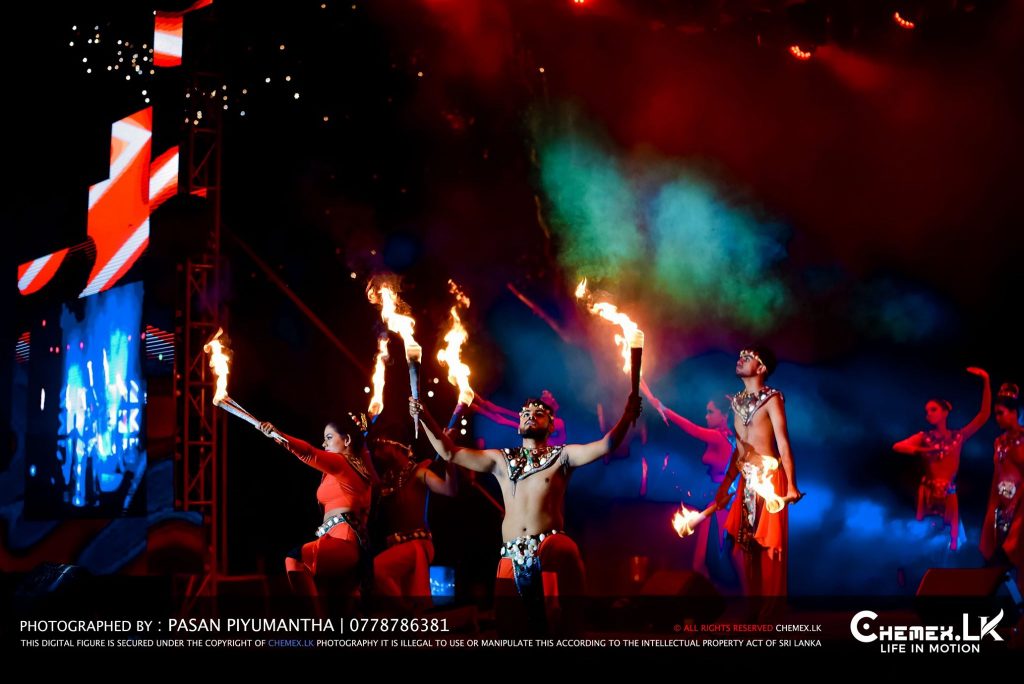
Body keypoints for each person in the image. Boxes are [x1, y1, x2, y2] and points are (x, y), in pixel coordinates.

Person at [410, 392, 641, 632]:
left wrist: (627, 415)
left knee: (554, 621)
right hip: (511, 556)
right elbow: (449, 453)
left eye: (539, 414)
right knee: (510, 630)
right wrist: (424, 416)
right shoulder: (500, 460)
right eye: (526, 414)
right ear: (519, 423)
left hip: (549, 552)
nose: (531, 416)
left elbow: (606, 445)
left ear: (551, 425)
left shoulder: (562, 456)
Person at [715, 347, 802, 609]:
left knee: (767, 548)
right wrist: (725, 485)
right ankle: (753, 606)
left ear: (761, 368)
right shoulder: (736, 402)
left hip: (769, 479)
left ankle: (768, 611)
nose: (740, 360)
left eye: (748, 358)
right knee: (741, 547)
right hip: (746, 482)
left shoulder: (772, 399)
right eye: (740, 356)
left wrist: (792, 485)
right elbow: (738, 450)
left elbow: (783, 444)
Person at [258, 416, 377, 600]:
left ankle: (312, 619)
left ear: (347, 440)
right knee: (339, 609)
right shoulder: (352, 470)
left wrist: (279, 435)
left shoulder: (343, 463)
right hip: (340, 543)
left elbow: (308, 453)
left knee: (295, 559)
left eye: (329, 437)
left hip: (343, 544)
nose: (324, 443)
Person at [642, 385, 738, 582]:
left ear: (724, 415)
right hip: (717, 500)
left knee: (712, 560)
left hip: (721, 503)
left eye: (710, 412)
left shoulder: (720, 437)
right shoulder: (727, 438)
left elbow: (692, 429)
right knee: (706, 560)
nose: (706, 416)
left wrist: (664, 409)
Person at [892, 367, 991, 550]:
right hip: (928, 494)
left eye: (933, 410)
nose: (928, 414)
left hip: (948, 495)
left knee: (950, 543)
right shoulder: (924, 437)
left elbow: (983, 415)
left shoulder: (958, 437)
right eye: (927, 411)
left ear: (945, 412)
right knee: (923, 540)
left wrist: (986, 381)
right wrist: (921, 450)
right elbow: (898, 446)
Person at [372, 436, 457, 612]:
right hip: (397, 547)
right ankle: (411, 619)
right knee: (408, 603)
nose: (379, 449)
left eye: (385, 443)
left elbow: (449, 490)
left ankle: (407, 615)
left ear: (399, 447)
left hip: (417, 545)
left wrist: (449, 456)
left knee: (377, 569)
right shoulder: (387, 480)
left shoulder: (419, 472)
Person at [980, 383, 1024, 594]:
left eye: (1000, 413)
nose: (997, 418)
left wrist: (1014, 504)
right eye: (995, 414)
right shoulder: (999, 442)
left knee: (1015, 554)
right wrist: (993, 510)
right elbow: (997, 476)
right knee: (995, 557)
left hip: (1021, 506)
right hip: (1002, 505)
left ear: (1014, 413)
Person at [471, 390, 568, 446]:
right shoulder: (540, 417)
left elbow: (560, 440)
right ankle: (477, 404)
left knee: (503, 420)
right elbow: (513, 416)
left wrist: (483, 407)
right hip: (537, 441)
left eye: (544, 400)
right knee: (504, 419)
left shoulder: (558, 422)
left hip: (544, 445)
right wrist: (486, 405)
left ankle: (477, 406)